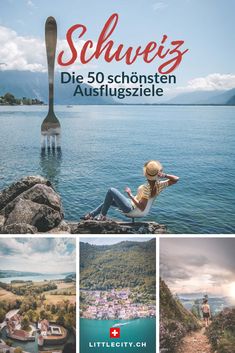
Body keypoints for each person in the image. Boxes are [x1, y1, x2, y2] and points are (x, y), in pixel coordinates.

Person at [82, 160, 179, 221]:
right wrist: (164, 175)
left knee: (111, 190)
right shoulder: (159, 185)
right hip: (134, 207)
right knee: (109, 201)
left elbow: (141, 207)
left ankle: (102, 216)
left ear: (146, 174)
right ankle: (91, 215)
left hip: (132, 209)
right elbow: (176, 179)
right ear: (158, 174)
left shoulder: (146, 188)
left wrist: (130, 195)